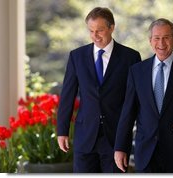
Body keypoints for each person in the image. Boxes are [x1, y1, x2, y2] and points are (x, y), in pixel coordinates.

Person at [114, 18, 173, 173]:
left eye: (166, 37)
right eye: (157, 38)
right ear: (150, 41)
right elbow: (128, 112)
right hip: (146, 153)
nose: (161, 43)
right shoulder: (137, 71)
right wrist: (120, 147)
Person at [57, 7, 141, 173]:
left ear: (111, 28)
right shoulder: (77, 56)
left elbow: (134, 101)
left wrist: (126, 141)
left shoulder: (130, 57)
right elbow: (67, 95)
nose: (95, 36)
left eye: (100, 30)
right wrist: (62, 131)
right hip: (85, 136)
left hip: (115, 138)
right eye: (91, 31)